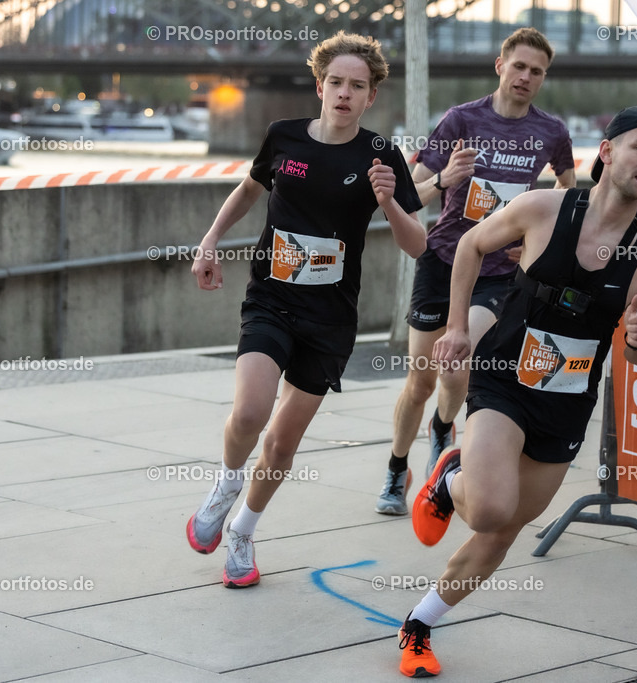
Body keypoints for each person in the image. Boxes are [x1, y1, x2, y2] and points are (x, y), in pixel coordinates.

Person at [395, 107, 637, 678]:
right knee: (491, 507)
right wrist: (454, 327)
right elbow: (470, 246)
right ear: (607, 152)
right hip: (504, 376)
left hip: (568, 403)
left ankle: (419, 624)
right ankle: (453, 475)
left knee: (503, 531)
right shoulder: (545, 207)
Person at [184, 32, 425, 588]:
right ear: (320, 87)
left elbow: (417, 245)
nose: (344, 93)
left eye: (357, 86)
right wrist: (210, 241)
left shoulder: (380, 155)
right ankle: (225, 485)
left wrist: (387, 200)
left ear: (371, 98)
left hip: (330, 317)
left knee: (282, 443)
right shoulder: (283, 137)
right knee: (249, 414)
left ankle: (243, 532)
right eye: (336, 82)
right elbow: (249, 190)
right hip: (271, 297)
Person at [374, 27, 576, 516]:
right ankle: (398, 465)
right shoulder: (461, 120)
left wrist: (534, 239)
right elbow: (408, 196)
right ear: (500, 66)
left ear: (543, 79)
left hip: (499, 273)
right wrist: (445, 178)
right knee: (422, 378)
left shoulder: (552, 132)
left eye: (537, 72)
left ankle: (446, 431)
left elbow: (571, 195)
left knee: (460, 359)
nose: (526, 77)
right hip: (442, 260)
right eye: (520, 66)